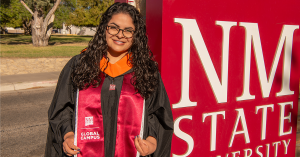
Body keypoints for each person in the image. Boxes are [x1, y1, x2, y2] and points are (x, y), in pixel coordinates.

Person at [45, 2, 173, 157]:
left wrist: (152, 143)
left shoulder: (146, 71)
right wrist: (67, 135)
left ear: (135, 35)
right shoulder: (80, 65)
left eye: (128, 30)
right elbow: (62, 109)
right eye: (114, 27)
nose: (120, 35)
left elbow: (158, 115)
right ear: (104, 29)